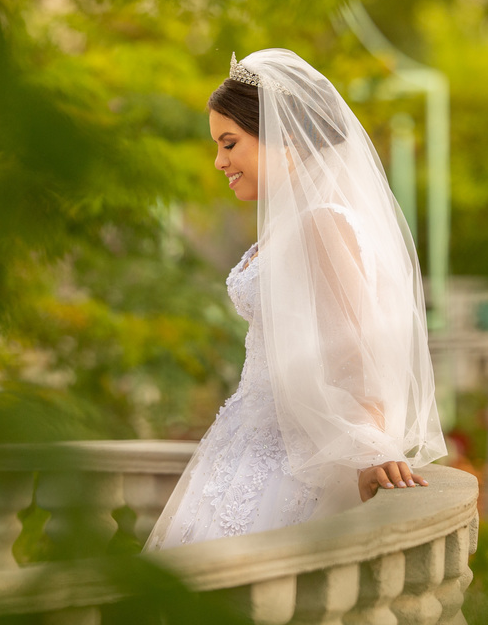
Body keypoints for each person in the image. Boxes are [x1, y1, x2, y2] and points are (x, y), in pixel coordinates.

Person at [144, 49, 446, 550]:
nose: (219, 161)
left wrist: (371, 449)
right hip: (251, 440)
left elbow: (358, 349)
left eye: (229, 143)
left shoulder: (322, 223)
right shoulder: (290, 223)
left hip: (292, 457)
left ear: (284, 139)